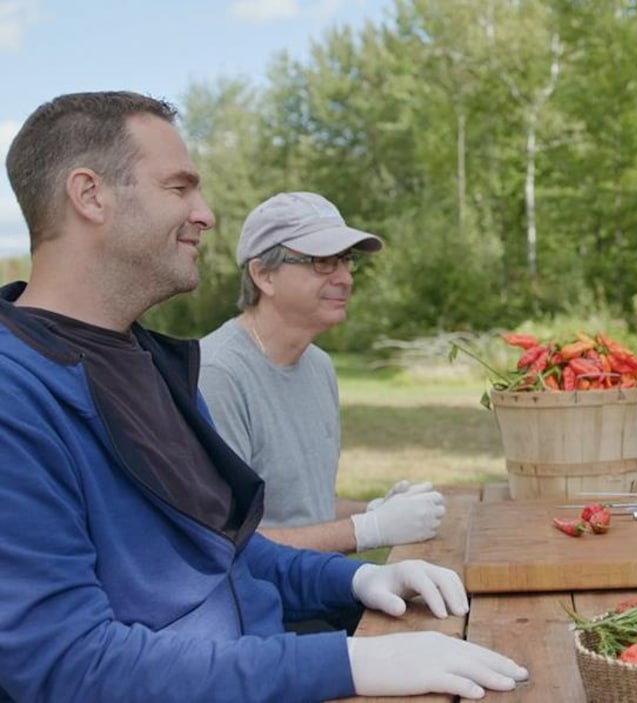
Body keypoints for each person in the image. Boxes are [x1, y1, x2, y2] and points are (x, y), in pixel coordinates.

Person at [0, 91, 527, 702]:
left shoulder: (152, 365)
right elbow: (67, 667)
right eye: (179, 187)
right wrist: (346, 664)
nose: (206, 213)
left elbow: (228, 555)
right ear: (90, 195)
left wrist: (355, 581)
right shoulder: (17, 399)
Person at [199, 191, 444, 556]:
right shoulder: (217, 375)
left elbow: (304, 509)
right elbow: (227, 542)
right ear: (263, 274)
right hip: (262, 609)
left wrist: (375, 510)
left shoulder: (318, 366)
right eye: (322, 262)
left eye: (346, 261)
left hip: (321, 593)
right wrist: (367, 530)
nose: (345, 277)